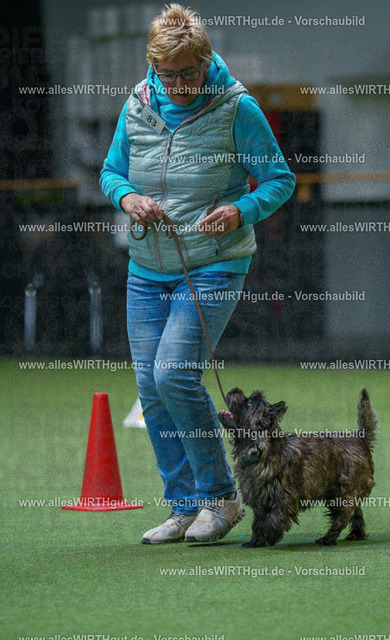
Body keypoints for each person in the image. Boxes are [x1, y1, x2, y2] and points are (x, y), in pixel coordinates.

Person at [100, 3, 295, 544]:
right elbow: (111, 172)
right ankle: (185, 506)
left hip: (213, 264)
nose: (179, 85)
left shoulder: (237, 108)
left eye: (188, 72)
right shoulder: (137, 105)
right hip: (147, 268)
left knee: (173, 374)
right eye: (168, 75)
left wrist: (241, 210)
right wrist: (128, 197)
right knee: (151, 386)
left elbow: (279, 179)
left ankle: (221, 498)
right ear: (153, 67)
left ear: (206, 61)